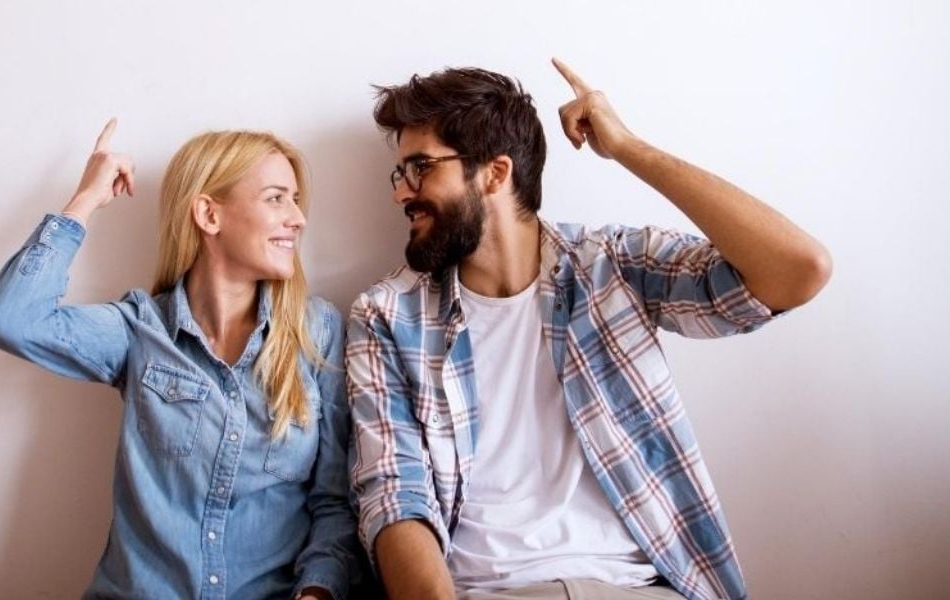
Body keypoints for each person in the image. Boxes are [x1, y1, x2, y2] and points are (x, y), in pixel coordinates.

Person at [346, 59, 833, 600]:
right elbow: (393, 493)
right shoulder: (388, 316)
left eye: (420, 167)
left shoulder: (611, 266)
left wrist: (628, 148)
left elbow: (797, 271)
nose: (401, 192)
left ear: (495, 173)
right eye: (401, 172)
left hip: (635, 587)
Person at [0, 121, 368, 599]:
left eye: (295, 199)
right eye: (276, 198)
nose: (298, 218)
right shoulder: (140, 328)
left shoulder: (318, 332)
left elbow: (334, 502)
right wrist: (85, 199)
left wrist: (317, 592)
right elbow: (12, 320)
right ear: (209, 214)